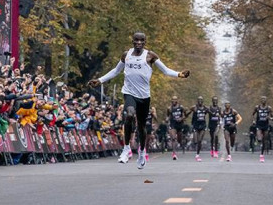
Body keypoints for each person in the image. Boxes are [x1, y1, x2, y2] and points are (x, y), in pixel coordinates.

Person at [88, 32, 189, 169]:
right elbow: (115, 71)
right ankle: (126, 148)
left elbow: (165, 71)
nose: (139, 43)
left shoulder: (150, 56)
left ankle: (141, 152)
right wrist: (99, 80)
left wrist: (179, 74)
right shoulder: (126, 55)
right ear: (132, 41)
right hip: (129, 92)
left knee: (141, 127)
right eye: (136, 40)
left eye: (142, 40)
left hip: (144, 96)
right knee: (129, 114)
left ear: (145, 42)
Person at [253, 97, 273, 162]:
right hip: (259, 124)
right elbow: (253, 114)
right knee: (259, 139)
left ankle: (261, 155)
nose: (263, 100)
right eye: (262, 99)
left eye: (264, 99)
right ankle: (258, 139)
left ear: (266, 101)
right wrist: (253, 120)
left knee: (265, 139)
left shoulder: (269, 108)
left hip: (266, 125)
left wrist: (269, 117)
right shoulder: (257, 107)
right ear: (260, 101)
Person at [191, 96, 208, 162]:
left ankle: (197, 155)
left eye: (201, 100)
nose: (200, 101)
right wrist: (184, 117)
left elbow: (210, 112)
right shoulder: (194, 107)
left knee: (200, 140)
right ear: (197, 101)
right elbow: (188, 111)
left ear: (203, 101)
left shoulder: (205, 108)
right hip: (195, 125)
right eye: (199, 100)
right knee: (195, 141)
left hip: (203, 126)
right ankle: (195, 144)